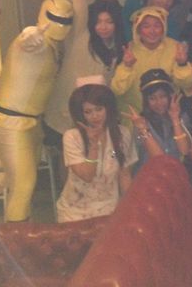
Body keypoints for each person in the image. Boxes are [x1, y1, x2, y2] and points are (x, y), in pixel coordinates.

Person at [0, 0, 73, 221]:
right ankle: (15, 240)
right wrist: (31, 36)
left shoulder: (54, 46)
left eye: (66, 20)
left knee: (23, 186)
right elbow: (27, 41)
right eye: (56, 18)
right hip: (11, 124)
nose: (61, 24)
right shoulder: (36, 42)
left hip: (32, 124)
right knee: (24, 184)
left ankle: (19, 234)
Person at [46, 0, 125, 136]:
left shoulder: (118, 47)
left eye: (109, 22)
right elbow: (79, 3)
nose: (103, 27)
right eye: (99, 22)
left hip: (97, 118)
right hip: (65, 116)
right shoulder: (82, 34)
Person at [56, 84, 137, 222]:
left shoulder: (122, 134)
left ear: (108, 109)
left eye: (99, 109)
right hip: (74, 212)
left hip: (110, 209)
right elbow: (86, 175)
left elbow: (124, 175)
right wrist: (93, 147)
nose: (95, 116)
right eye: (88, 112)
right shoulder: (72, 136)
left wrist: (132, 208)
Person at [111, 6, 192, 115]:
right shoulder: (128, 50)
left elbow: (186, 84)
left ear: (164, 28)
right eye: (146, 26)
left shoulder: (175, 47)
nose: (152, 31)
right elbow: (117, 90)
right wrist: (126, 67)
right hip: (135, 115)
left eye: (157, 26)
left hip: (168, 115)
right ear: (138, 29)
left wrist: (182, 64)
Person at [126, 69, 191, 172]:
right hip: (147, 177)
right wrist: (143, 129)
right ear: (146, 100)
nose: (159, 103)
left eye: (163, 96)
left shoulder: (181, 117)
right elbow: (159, 159)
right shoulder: (140, 122)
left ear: (170, 96)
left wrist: (175, 119)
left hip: (174, 176)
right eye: (152, 98)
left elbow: (184, 150)